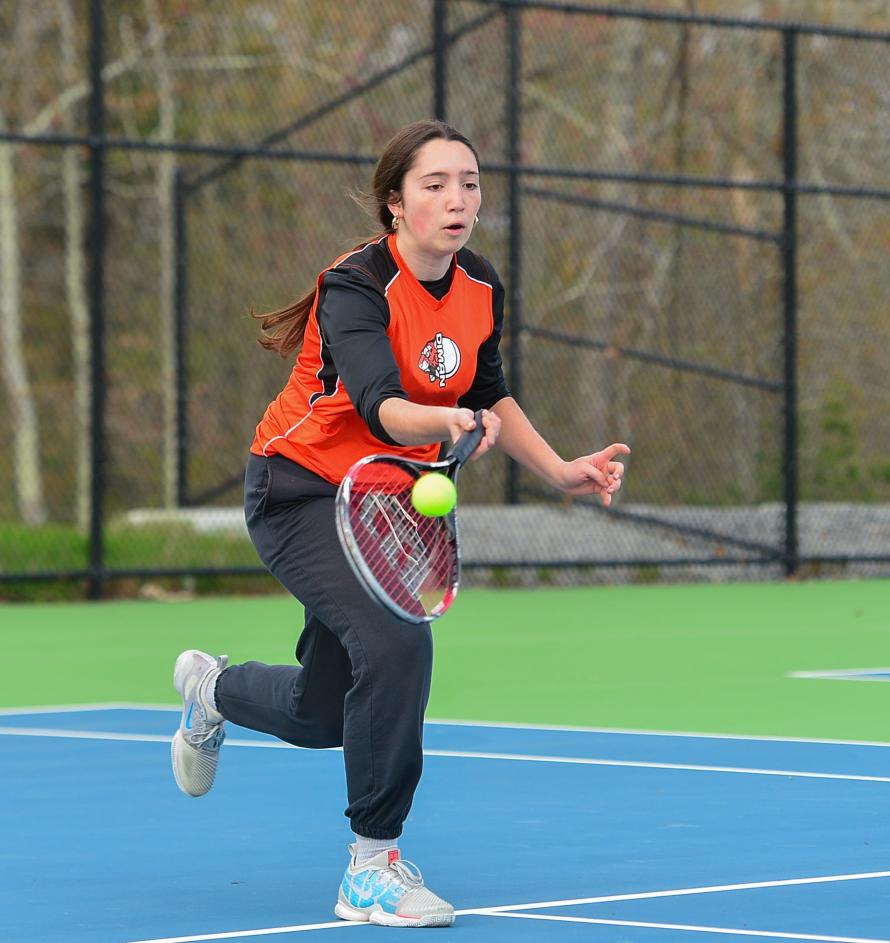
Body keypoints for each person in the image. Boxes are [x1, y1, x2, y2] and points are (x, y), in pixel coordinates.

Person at [169, 119, 630, 928]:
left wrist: (561, 468)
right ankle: (371, 867)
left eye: (470, 183)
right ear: (395, 204)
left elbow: (489, 392)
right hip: (297, 489)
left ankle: (212, 689)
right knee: (395, 640)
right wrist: (442, 425)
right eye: (436, 184)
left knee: (321, 712)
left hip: (378, 501)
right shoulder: (355, 285)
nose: (458, 200)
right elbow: (381, 401)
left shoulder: (480, 284)